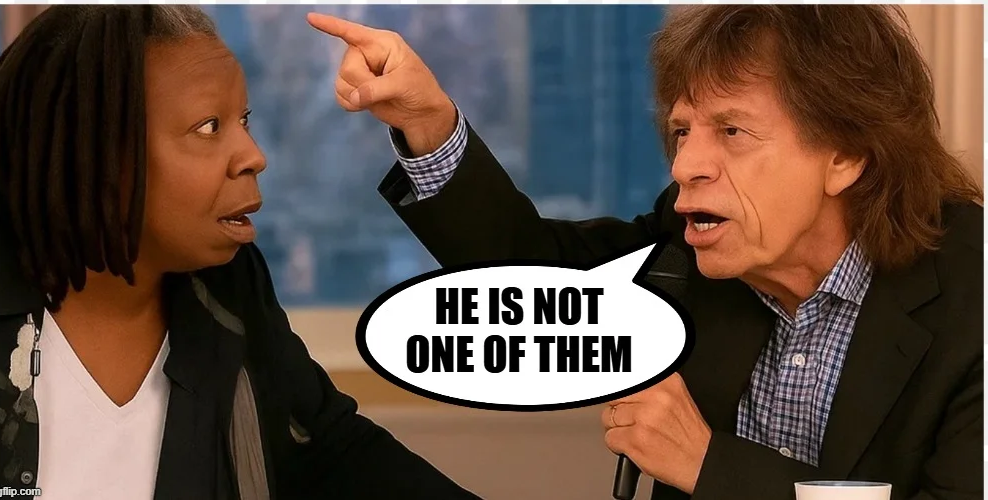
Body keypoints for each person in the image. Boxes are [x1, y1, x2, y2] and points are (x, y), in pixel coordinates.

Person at [307, 5, 984, 499]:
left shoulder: (970, 296)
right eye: (683, 131)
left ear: (846, 155)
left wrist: (709, 466)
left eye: (731, 130)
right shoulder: (695, 242)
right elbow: (531, 277)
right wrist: (427, 123)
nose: (686, 164)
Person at [0, 6, 480, 500]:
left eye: (243, 120)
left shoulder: (227, 290)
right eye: (209, 127)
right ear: (94, 153)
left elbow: (338, 453)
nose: (253, 156)